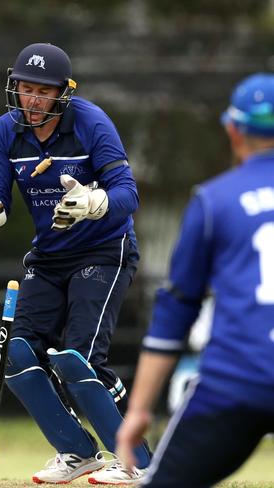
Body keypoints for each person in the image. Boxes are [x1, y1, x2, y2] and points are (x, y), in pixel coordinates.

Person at [0, 42, 150, 485]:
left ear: (62, 92)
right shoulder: (6, 131)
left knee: (80, 357)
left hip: (104, 249)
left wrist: (94, 200)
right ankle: (77, 452)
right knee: (16, 353)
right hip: (48, 255)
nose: (33, 100)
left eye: (43, 92)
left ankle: (138, 459)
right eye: (25, 89)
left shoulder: (90, 122)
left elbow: (129, 194)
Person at [116, 73, 274, 487]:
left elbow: (176, 308)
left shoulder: (215, 200)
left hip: (235, 383)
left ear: (233, 130)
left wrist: (138, 411)